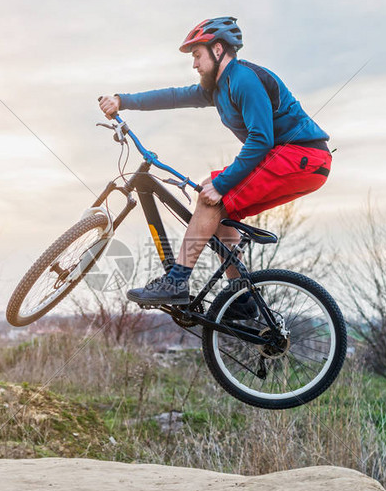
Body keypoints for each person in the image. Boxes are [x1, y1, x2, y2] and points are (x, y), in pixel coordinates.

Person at [98, 17, 331, 311]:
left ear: (218, 50)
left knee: (212, 197)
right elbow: (173, 96)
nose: (194, 64)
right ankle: (242, 298)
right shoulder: (217, 88)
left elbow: (261, 139)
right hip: (293, 159)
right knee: (214, 200)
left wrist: (223, 184)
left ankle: (176, 282)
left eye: (197, 55)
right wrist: (122, 100)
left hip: (301, 157)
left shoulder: (244, 79)